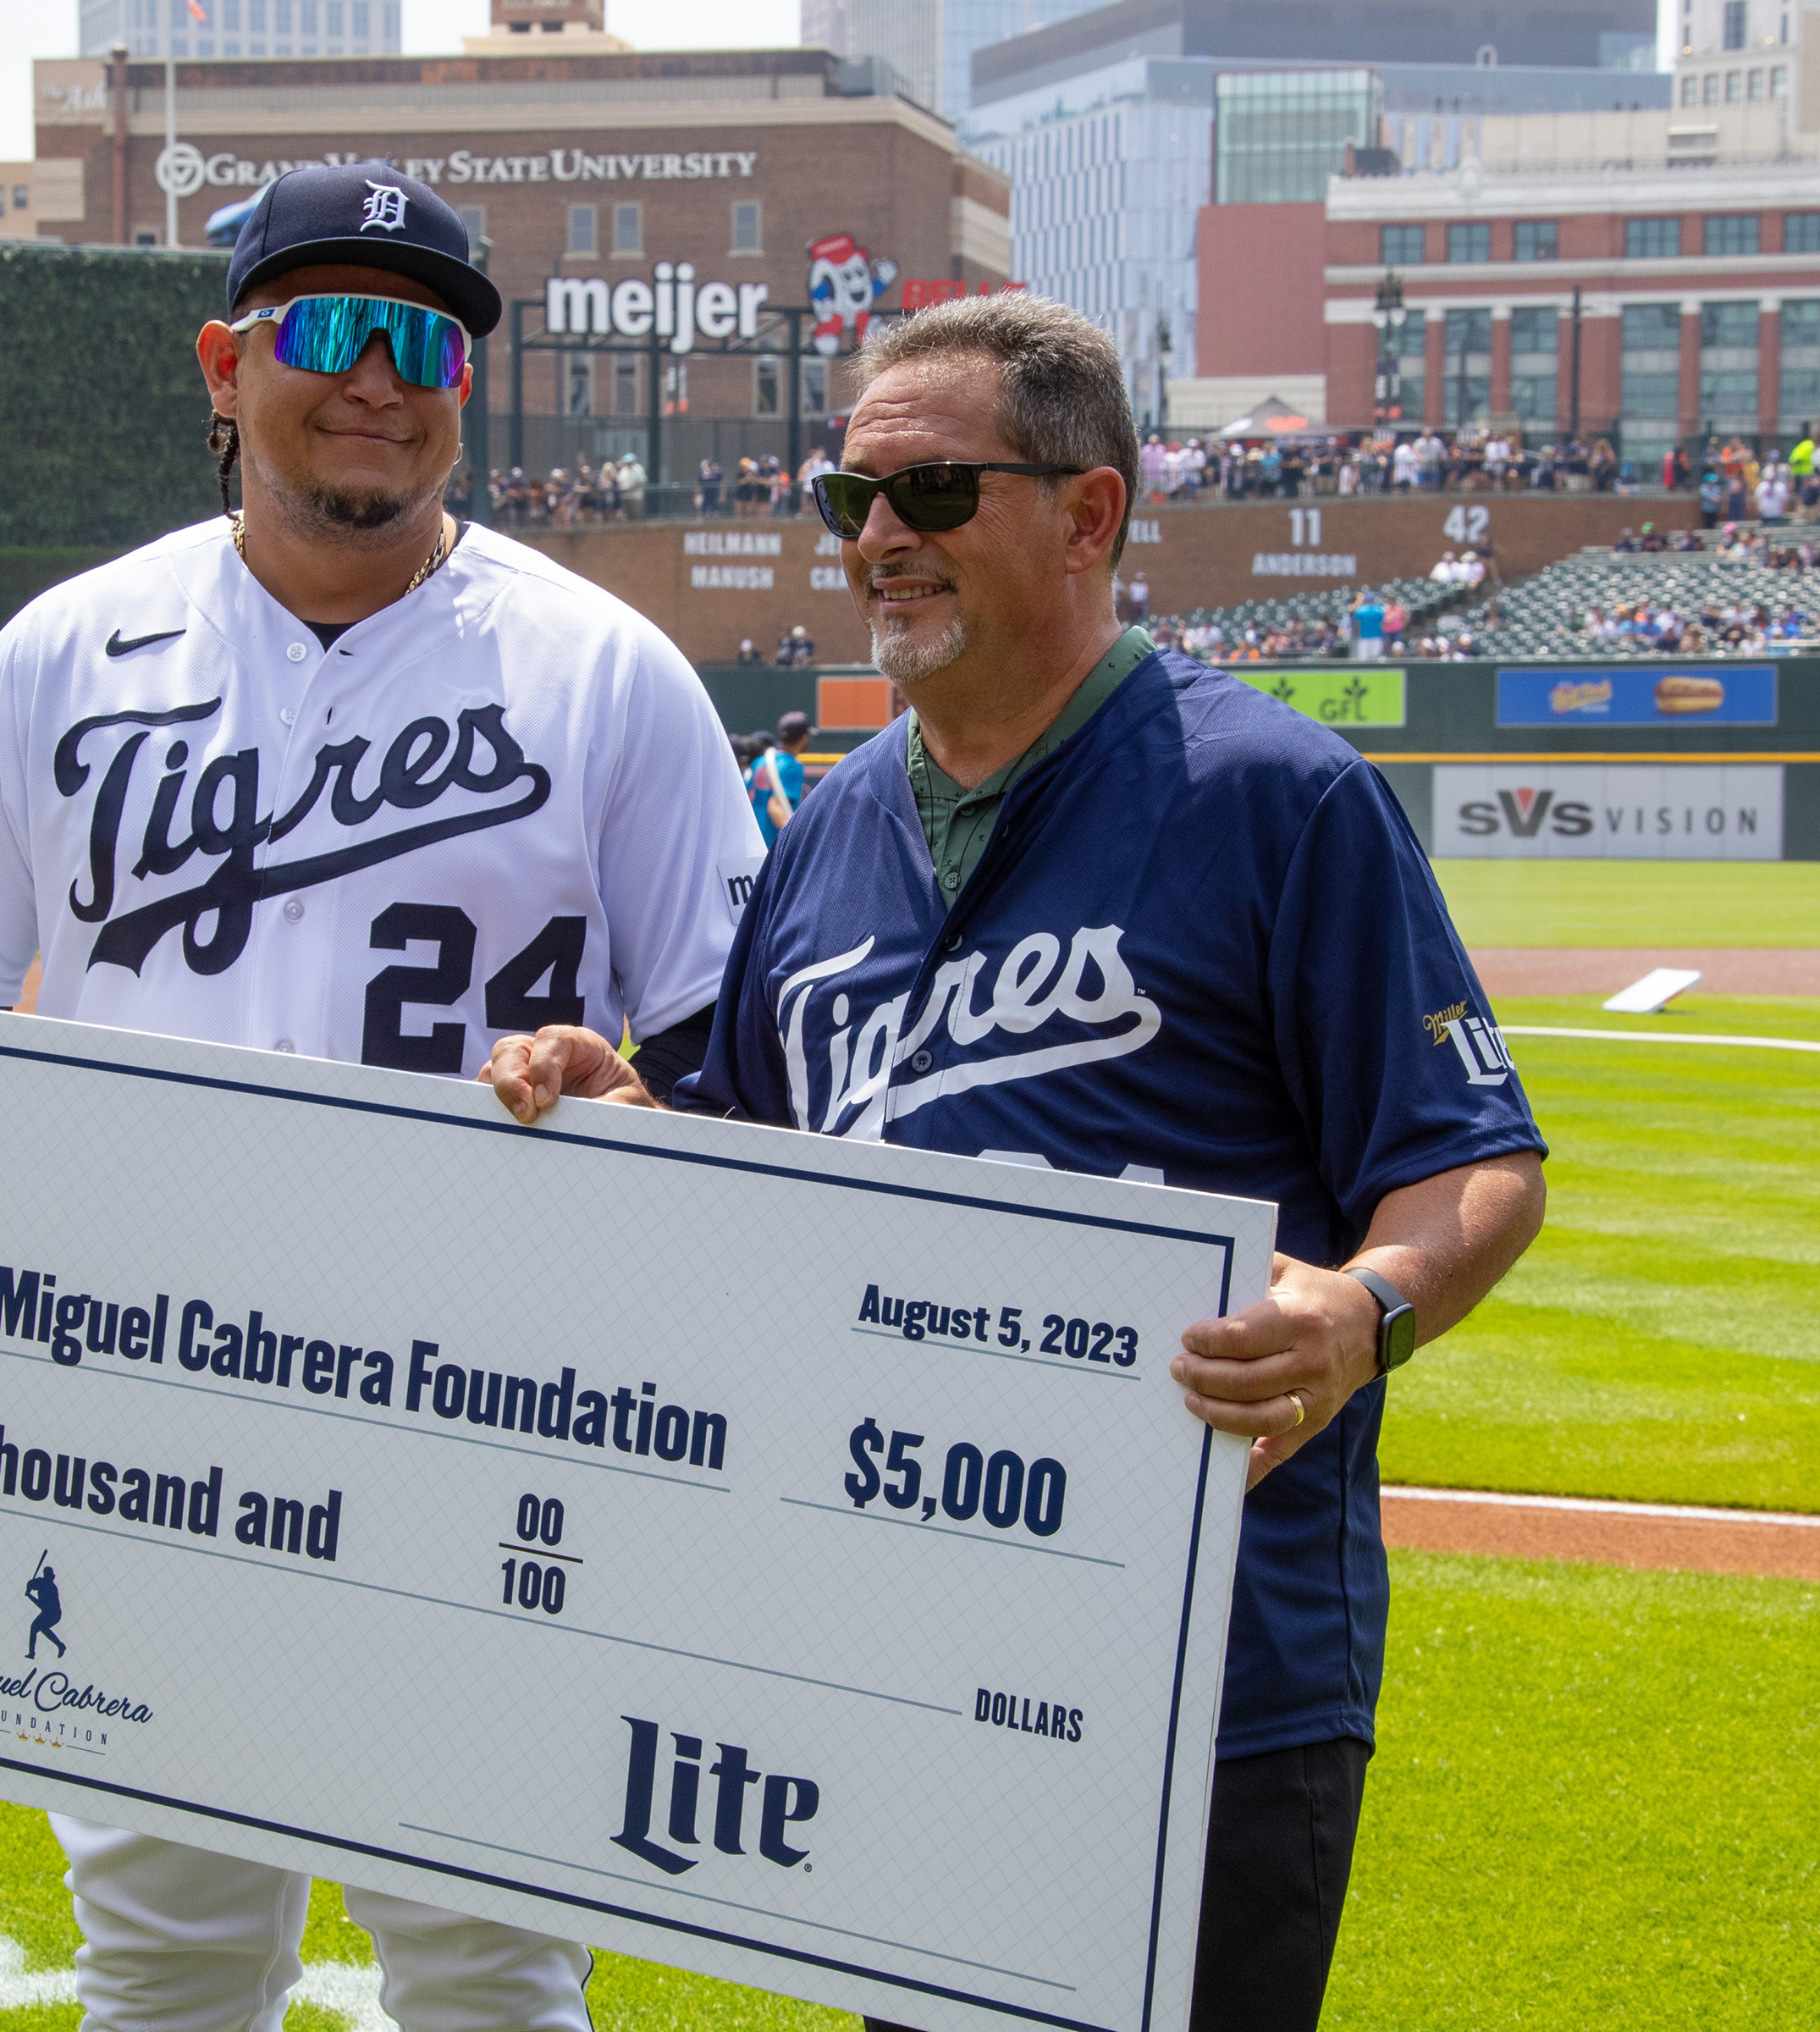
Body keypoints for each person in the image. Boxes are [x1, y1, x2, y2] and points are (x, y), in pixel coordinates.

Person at [478, 292, 1548, 2032]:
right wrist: (633, 1123)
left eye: (933, 492)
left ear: (1091, 514)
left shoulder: (1278, 796)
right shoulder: (825, 828)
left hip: (1210, 1670)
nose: (880, 537)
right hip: (895, 1653)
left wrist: (1368, 1314)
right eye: (850, 501)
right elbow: (767, 1183)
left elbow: (1474, 1166)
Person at [0, 159, 761, 2032]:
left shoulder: (607, 673)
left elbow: (735, 1064)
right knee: (168, 1967)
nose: (378, 378)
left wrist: (632, 1104)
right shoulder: (66, 652)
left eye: (423, 337)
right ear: (225, 362)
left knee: (492, 1972)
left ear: (464, 385)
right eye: (330, 328)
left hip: (490, 1420)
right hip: (149, 1418)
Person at [747, 708, 811, 841]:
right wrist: (796, 841)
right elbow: (774, 806)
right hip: (772, 847)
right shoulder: (791, 766)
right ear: (804, 738)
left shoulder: (760, 762)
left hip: (752, 844)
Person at [25, 1560, 68, 1660]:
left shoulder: (50, 1588)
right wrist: (29, 1587)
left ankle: (32, 1653)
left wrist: (29, 1595)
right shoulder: (43, 1583)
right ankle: (60, 1645)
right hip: (49, 1613)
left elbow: (42, 1605)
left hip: (53, 1614)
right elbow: (32, 1583)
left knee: (35, 1627)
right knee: (43, 1629)